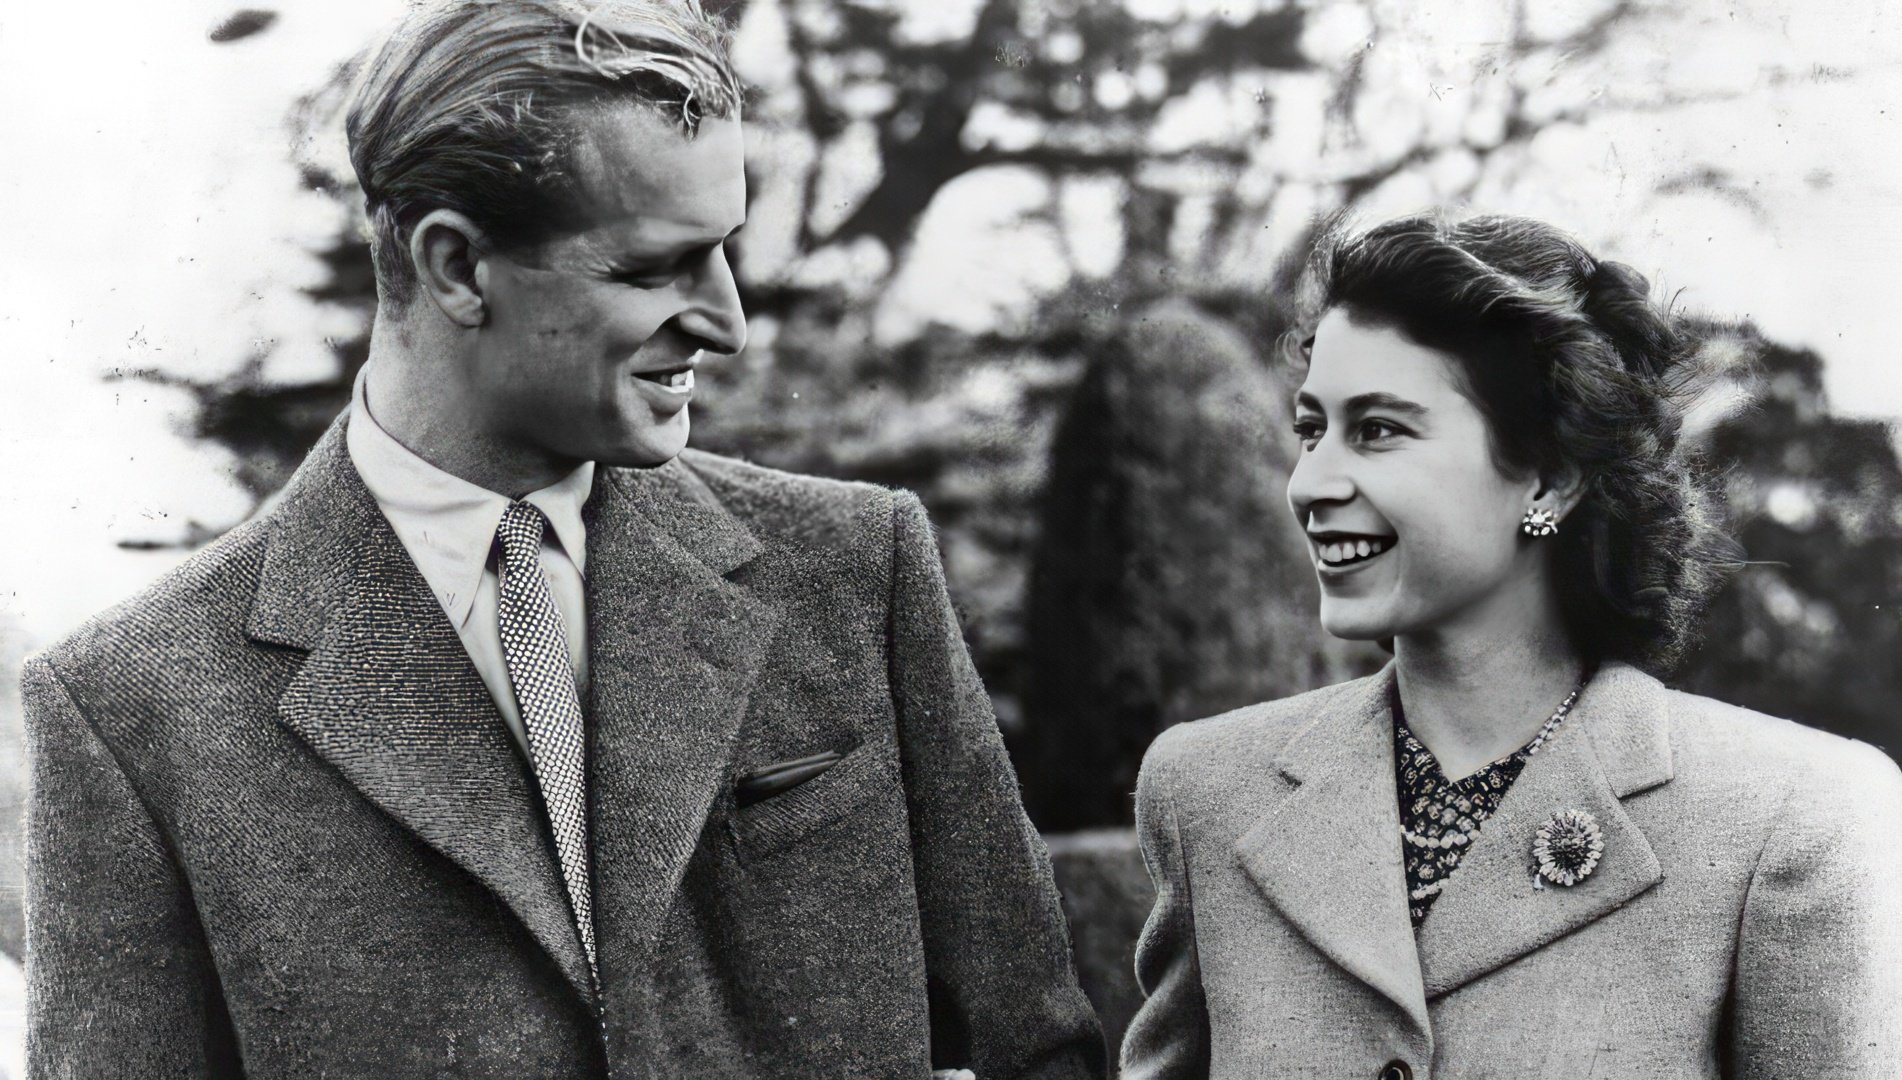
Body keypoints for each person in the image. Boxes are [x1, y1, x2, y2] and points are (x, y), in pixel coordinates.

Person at [21, 2, 1104, 1076]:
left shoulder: (856, 567)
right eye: (652, 269)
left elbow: (1036, 1048)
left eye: (724, 250)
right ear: (455, 267)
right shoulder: (133, 705)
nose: (728, 321)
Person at [1120, 213, 1902, 1078]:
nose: (1309, 482)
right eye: (1311, 429)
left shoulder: (1793, 816)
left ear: (1550, 475)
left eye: (1379, 429)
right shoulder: (1205, 792)